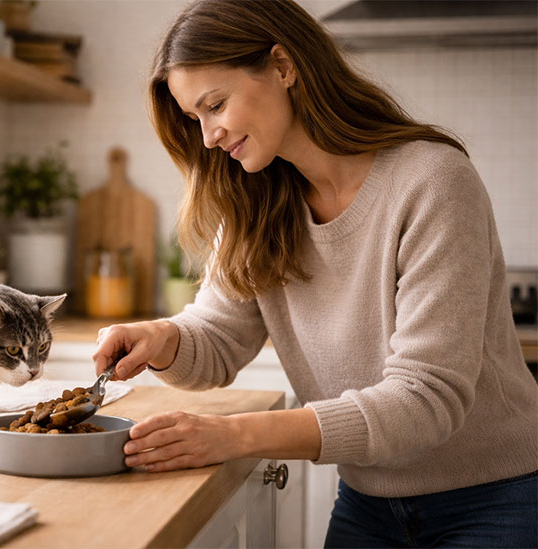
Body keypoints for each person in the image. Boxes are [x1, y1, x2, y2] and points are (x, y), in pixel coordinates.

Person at [91, 0, 538, 547]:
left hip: (497, 498)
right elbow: (217, 340)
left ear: (282, 66)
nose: (208, 136)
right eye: (195, 119)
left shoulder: (432, 180)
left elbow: (427, 397)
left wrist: (232, 437)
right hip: (369, 503)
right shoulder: (257, 201)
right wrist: (161, 338)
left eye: (216, 105)